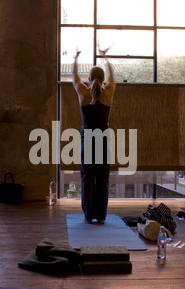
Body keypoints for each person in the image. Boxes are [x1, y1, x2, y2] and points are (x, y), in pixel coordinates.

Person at [73, 48, 116, 224]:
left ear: (89, 79)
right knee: (103, 178)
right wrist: (105, 57)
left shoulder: (83, 94)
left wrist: (76, 58)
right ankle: (101, 216)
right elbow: (113, 77)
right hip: (103, 140)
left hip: (87, 140)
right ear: (103, 78)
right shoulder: (108, 92)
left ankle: (88, 215)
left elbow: (75, 77)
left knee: (87, 178)